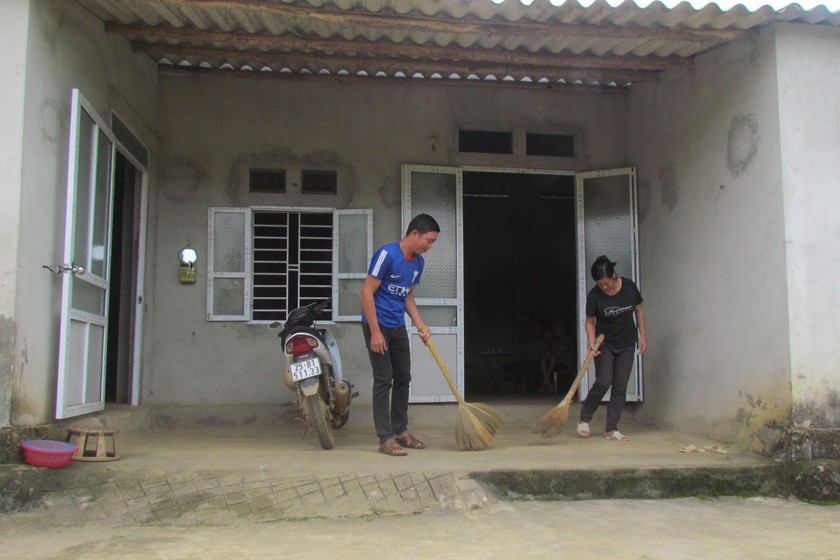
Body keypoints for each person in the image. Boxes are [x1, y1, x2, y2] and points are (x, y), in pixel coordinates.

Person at [361, 214, 439, 456]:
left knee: (403, 378)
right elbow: (366, 292)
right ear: (414, 234)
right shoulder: (387, 255)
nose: (429, 246)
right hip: (377, 325)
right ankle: (385, 438)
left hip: (397, 326)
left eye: (433, 242)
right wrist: (375, 331)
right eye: (429, 240)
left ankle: (400, 430)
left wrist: (420, 325)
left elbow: (407, 296)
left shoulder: (418, 264)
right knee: (384, 380)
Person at [577, 255, 647, 442]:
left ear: (613, 275)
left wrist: (643, 336)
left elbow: (639, 310)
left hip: (627, 343)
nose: (604, 287)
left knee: (620, 386)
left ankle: (611, 429)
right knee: (603, 381)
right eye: (600, 285)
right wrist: (592, 342)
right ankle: (584, 418)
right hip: (605, 344)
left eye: (606, 283)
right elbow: (590, 322)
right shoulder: (594, 296)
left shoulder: (630, 287)